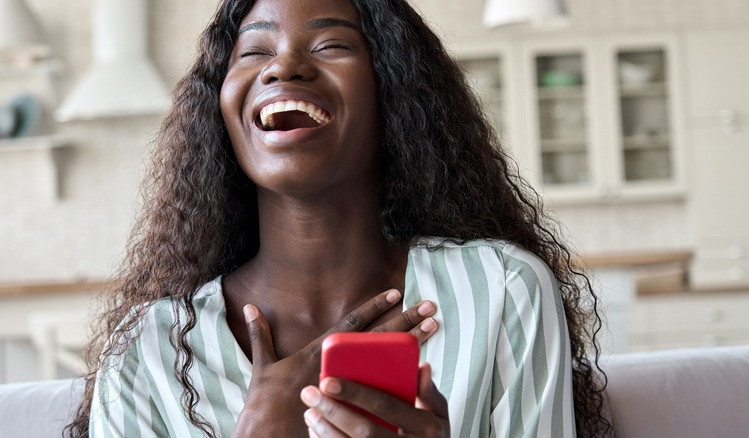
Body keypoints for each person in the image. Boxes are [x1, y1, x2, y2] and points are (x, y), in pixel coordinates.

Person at [68, 0, 612, 436]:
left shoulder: (501, 290)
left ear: (392, 93)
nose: (283, 65)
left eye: (331, 44)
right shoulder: (150, 351)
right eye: (253, 51)